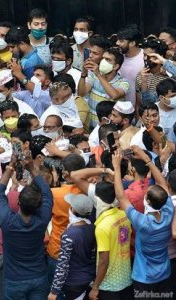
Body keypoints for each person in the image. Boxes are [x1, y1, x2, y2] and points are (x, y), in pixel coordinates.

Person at [113, 147, 173, 298]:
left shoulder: (142, 221)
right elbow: (162, 183)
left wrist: (116, 167)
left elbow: (121, 197)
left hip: (144, 278)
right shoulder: (168, 212)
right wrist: (147, 159)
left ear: (147, 200)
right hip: (165, 274)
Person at [0, 151, 53, 299]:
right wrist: (32, 168)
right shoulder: (42, 219)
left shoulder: (8, 221)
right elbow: (47, 193)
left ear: (18, 202)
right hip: (38, 277)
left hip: (14, 280)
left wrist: (11, 166)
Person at [88, 181, 133, 300]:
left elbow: (103, 260)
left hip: (109, 286)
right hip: (127, 280)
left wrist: (95, 287)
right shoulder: (124, 216)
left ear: (97, 199)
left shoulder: (102, 227)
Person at [46, 154, 87, 283]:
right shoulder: (89, 191)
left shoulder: (54, 194)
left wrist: (53, 183)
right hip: (82, 251)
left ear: (64, 172)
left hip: (58, 251)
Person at [48, 194, 96, 300]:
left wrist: (54, 291)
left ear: (73, 210)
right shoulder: (93, 228)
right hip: (89, 278)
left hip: (73, 282)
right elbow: (93, 256)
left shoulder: (69, 234)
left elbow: (62, 264)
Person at [79, 46, 130, 129]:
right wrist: (83, 74)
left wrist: (98, 74)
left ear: (115, 66)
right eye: (103, 58)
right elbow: (81, 93)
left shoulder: (124, 82)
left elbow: (114, 95)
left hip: (109, 129)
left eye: (108, 60)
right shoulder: (93, 76)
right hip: (91, 127)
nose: (103, 61)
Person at [135, 38, 168, 107]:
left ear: (160, 57)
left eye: (149, 56)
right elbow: (139, 104)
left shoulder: (169, 76)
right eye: (144, 55)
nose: (145, 58)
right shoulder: (140, 75)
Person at [116, 24, 144, 106]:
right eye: (117, 40)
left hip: (138, 110)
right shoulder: (117, 57)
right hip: (118, 109)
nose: (117, 43)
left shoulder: (145, 58)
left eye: (121, 41)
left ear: (132, 43)